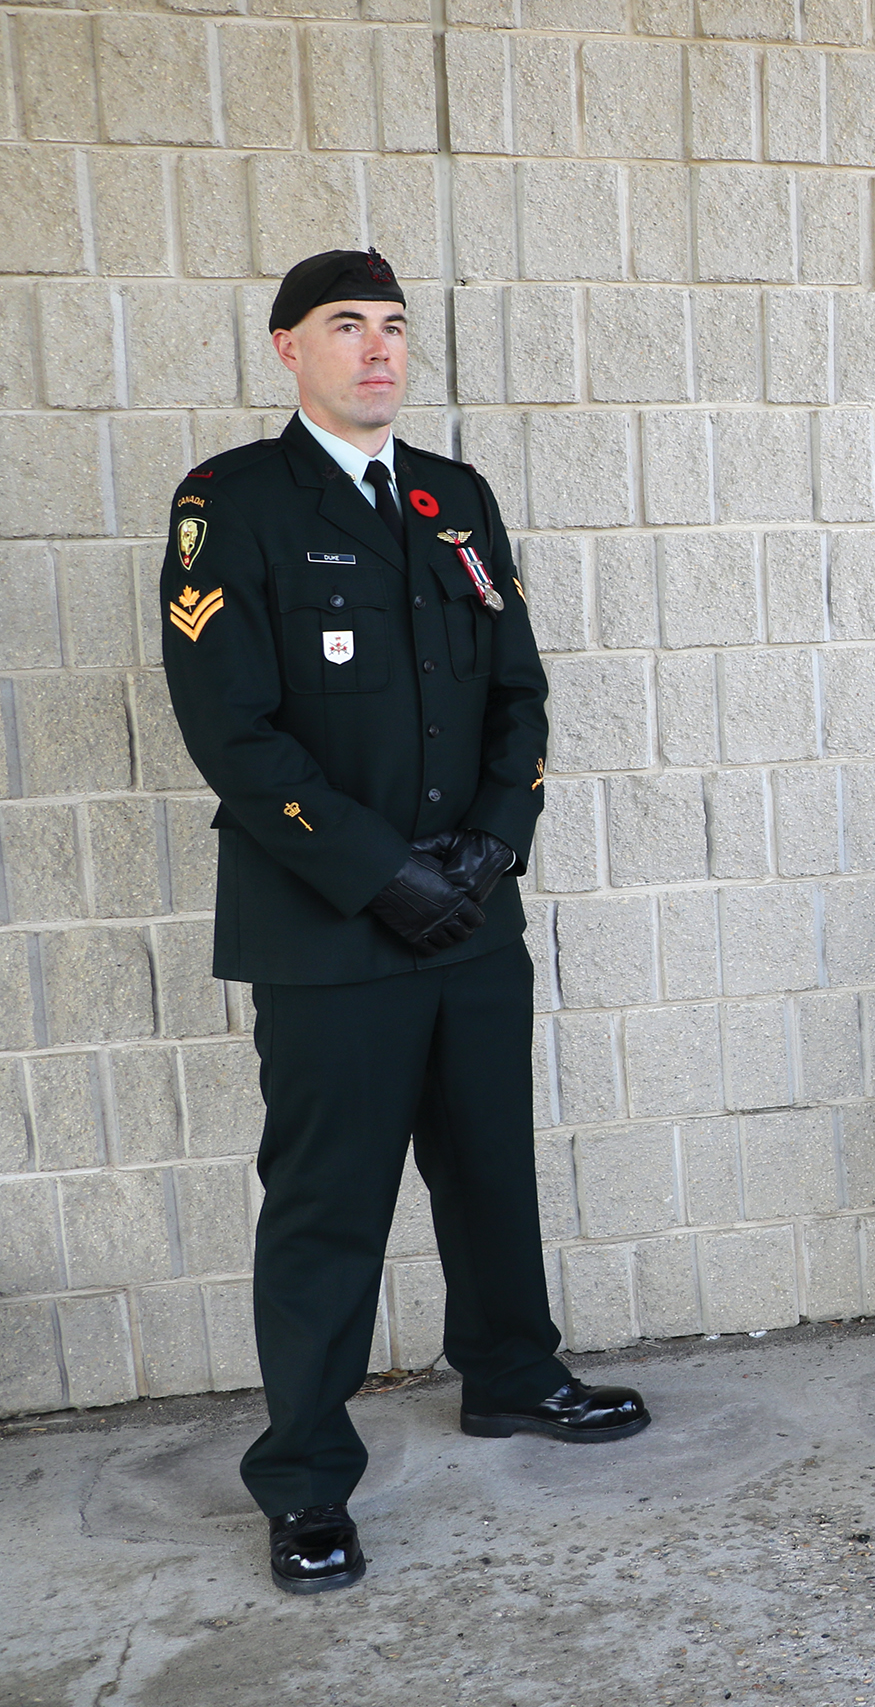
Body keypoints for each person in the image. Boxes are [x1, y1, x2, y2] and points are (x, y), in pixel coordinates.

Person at [158, 249, 648, 1596]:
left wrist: (494, 844)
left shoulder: (454, 498)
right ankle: (307, 1477)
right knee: (328, 1208)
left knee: (492, 1167)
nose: (378, 349)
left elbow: (519, 694)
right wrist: (385, 878)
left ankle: (511, 1374)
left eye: (392, 328)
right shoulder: (234, 506)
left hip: (475, 912)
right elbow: (234, 734)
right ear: (287, 351)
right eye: (344, 327)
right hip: (330, 930)